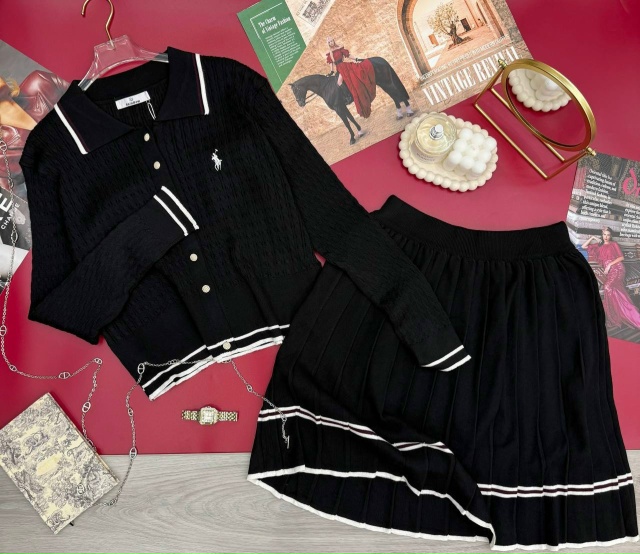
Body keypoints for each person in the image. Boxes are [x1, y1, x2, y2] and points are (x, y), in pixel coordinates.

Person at [582, 226, 640, 329]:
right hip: (610, 272)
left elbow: (621, 257)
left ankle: (630, 315)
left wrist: (609, 265)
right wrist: (593, 238)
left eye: (608, 235)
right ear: (602, 235)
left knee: (608, 287)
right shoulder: (598, 245)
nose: (606, 237)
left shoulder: (614, 244)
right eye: (604, 234)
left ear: (611, 236)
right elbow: (584, 246)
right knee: (613, 290)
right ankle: (621, 313)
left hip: (618, 268)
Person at [326, 37, 377, 118]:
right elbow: (331, 63)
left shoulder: (339, 48)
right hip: (339, 69)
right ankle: (348, 95)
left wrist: (356, 58)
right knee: (339, 82)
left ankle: (349, 97)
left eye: (331, 41)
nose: (331, 43)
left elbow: (348, 55)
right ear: (328, 44)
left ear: (333, 41)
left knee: (343, 82)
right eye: (329, 42)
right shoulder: (329, 53)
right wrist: (331, 71)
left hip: (345, 67)